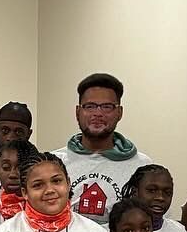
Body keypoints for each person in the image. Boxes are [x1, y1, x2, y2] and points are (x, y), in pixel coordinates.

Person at [52, 73, 152, 222]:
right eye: (90, 106)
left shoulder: (142, 166)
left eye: (107, 107)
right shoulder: (54, 163)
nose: (97, 113)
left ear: (119, 113)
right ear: (77, 112)